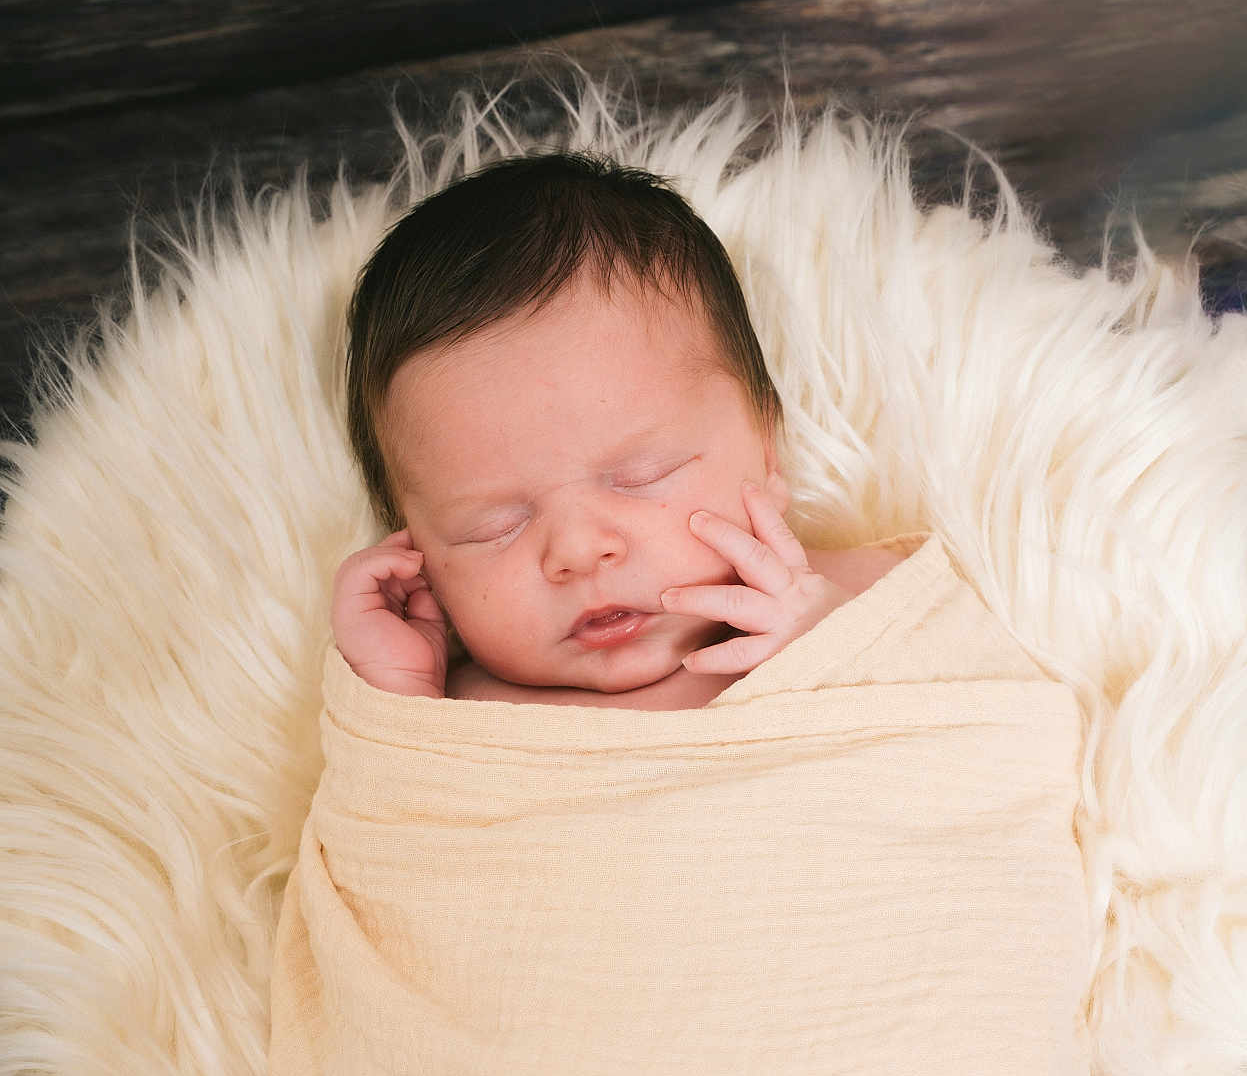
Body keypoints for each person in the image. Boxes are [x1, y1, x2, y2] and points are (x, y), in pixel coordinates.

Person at [333, 150, 909, 709]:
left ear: (766, 446)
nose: (579, 552)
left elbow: (988, 725)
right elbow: (385, 811)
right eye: (493, 527)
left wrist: (840, 646)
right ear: (421, 560)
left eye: (642, 475)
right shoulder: (454, 711)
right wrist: (398, 695)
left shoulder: (869, 596)